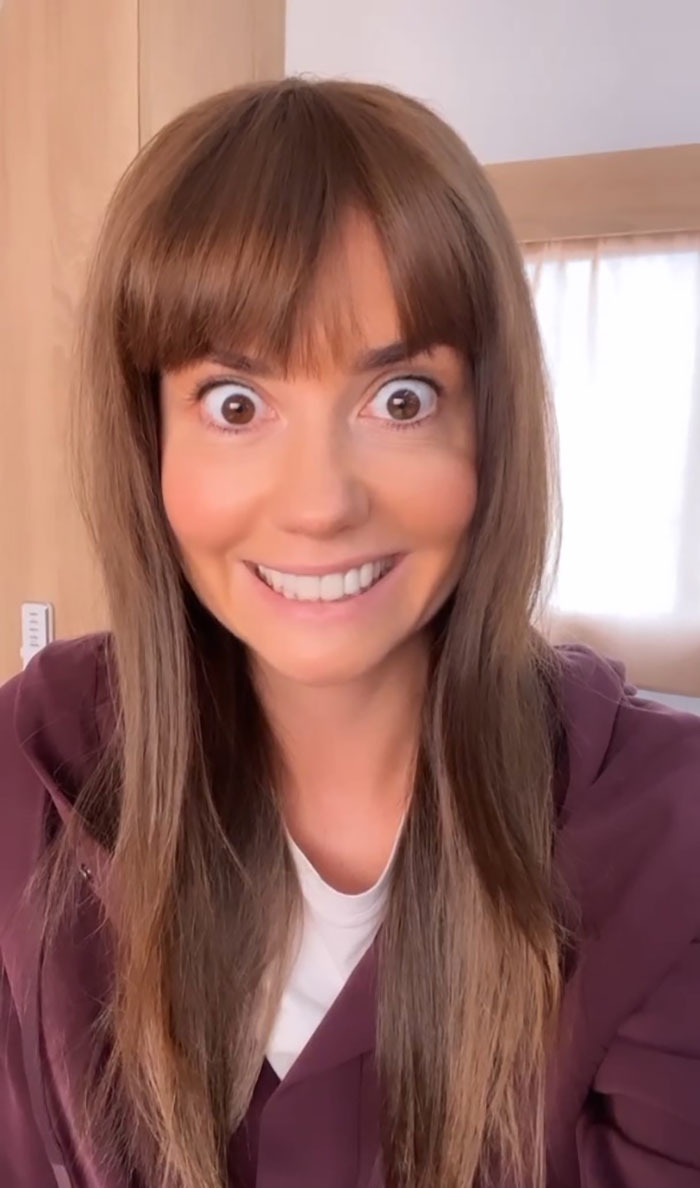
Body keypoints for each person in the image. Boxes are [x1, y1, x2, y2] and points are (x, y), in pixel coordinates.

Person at [0, 76, 698, 1188]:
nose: (320, 502)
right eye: (235, 404)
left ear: (489, 429)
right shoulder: (33, 770)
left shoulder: (668, 838)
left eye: (401, 399)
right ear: (150, 439)